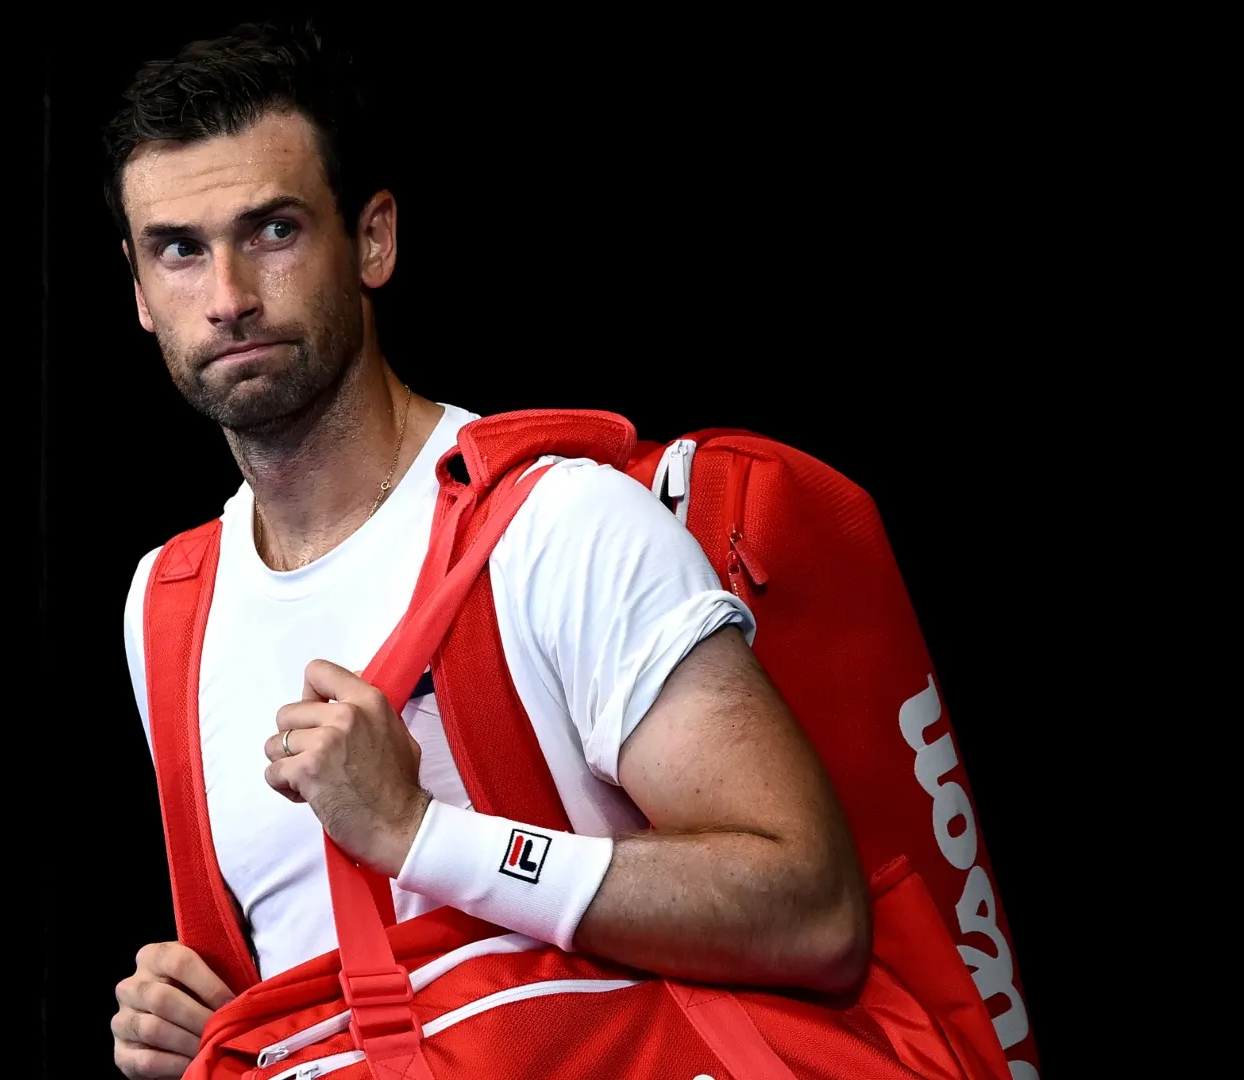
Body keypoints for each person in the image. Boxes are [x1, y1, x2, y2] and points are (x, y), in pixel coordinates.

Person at [104, 22, 870, 1080]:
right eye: (179, 249)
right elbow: (355, 995)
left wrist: (426, 835)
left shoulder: (562, 527)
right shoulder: (167, 604)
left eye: (272, 231)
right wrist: (227, 1034)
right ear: (142, 294)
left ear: (373, 241)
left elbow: (813, 908)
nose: (227, 295)